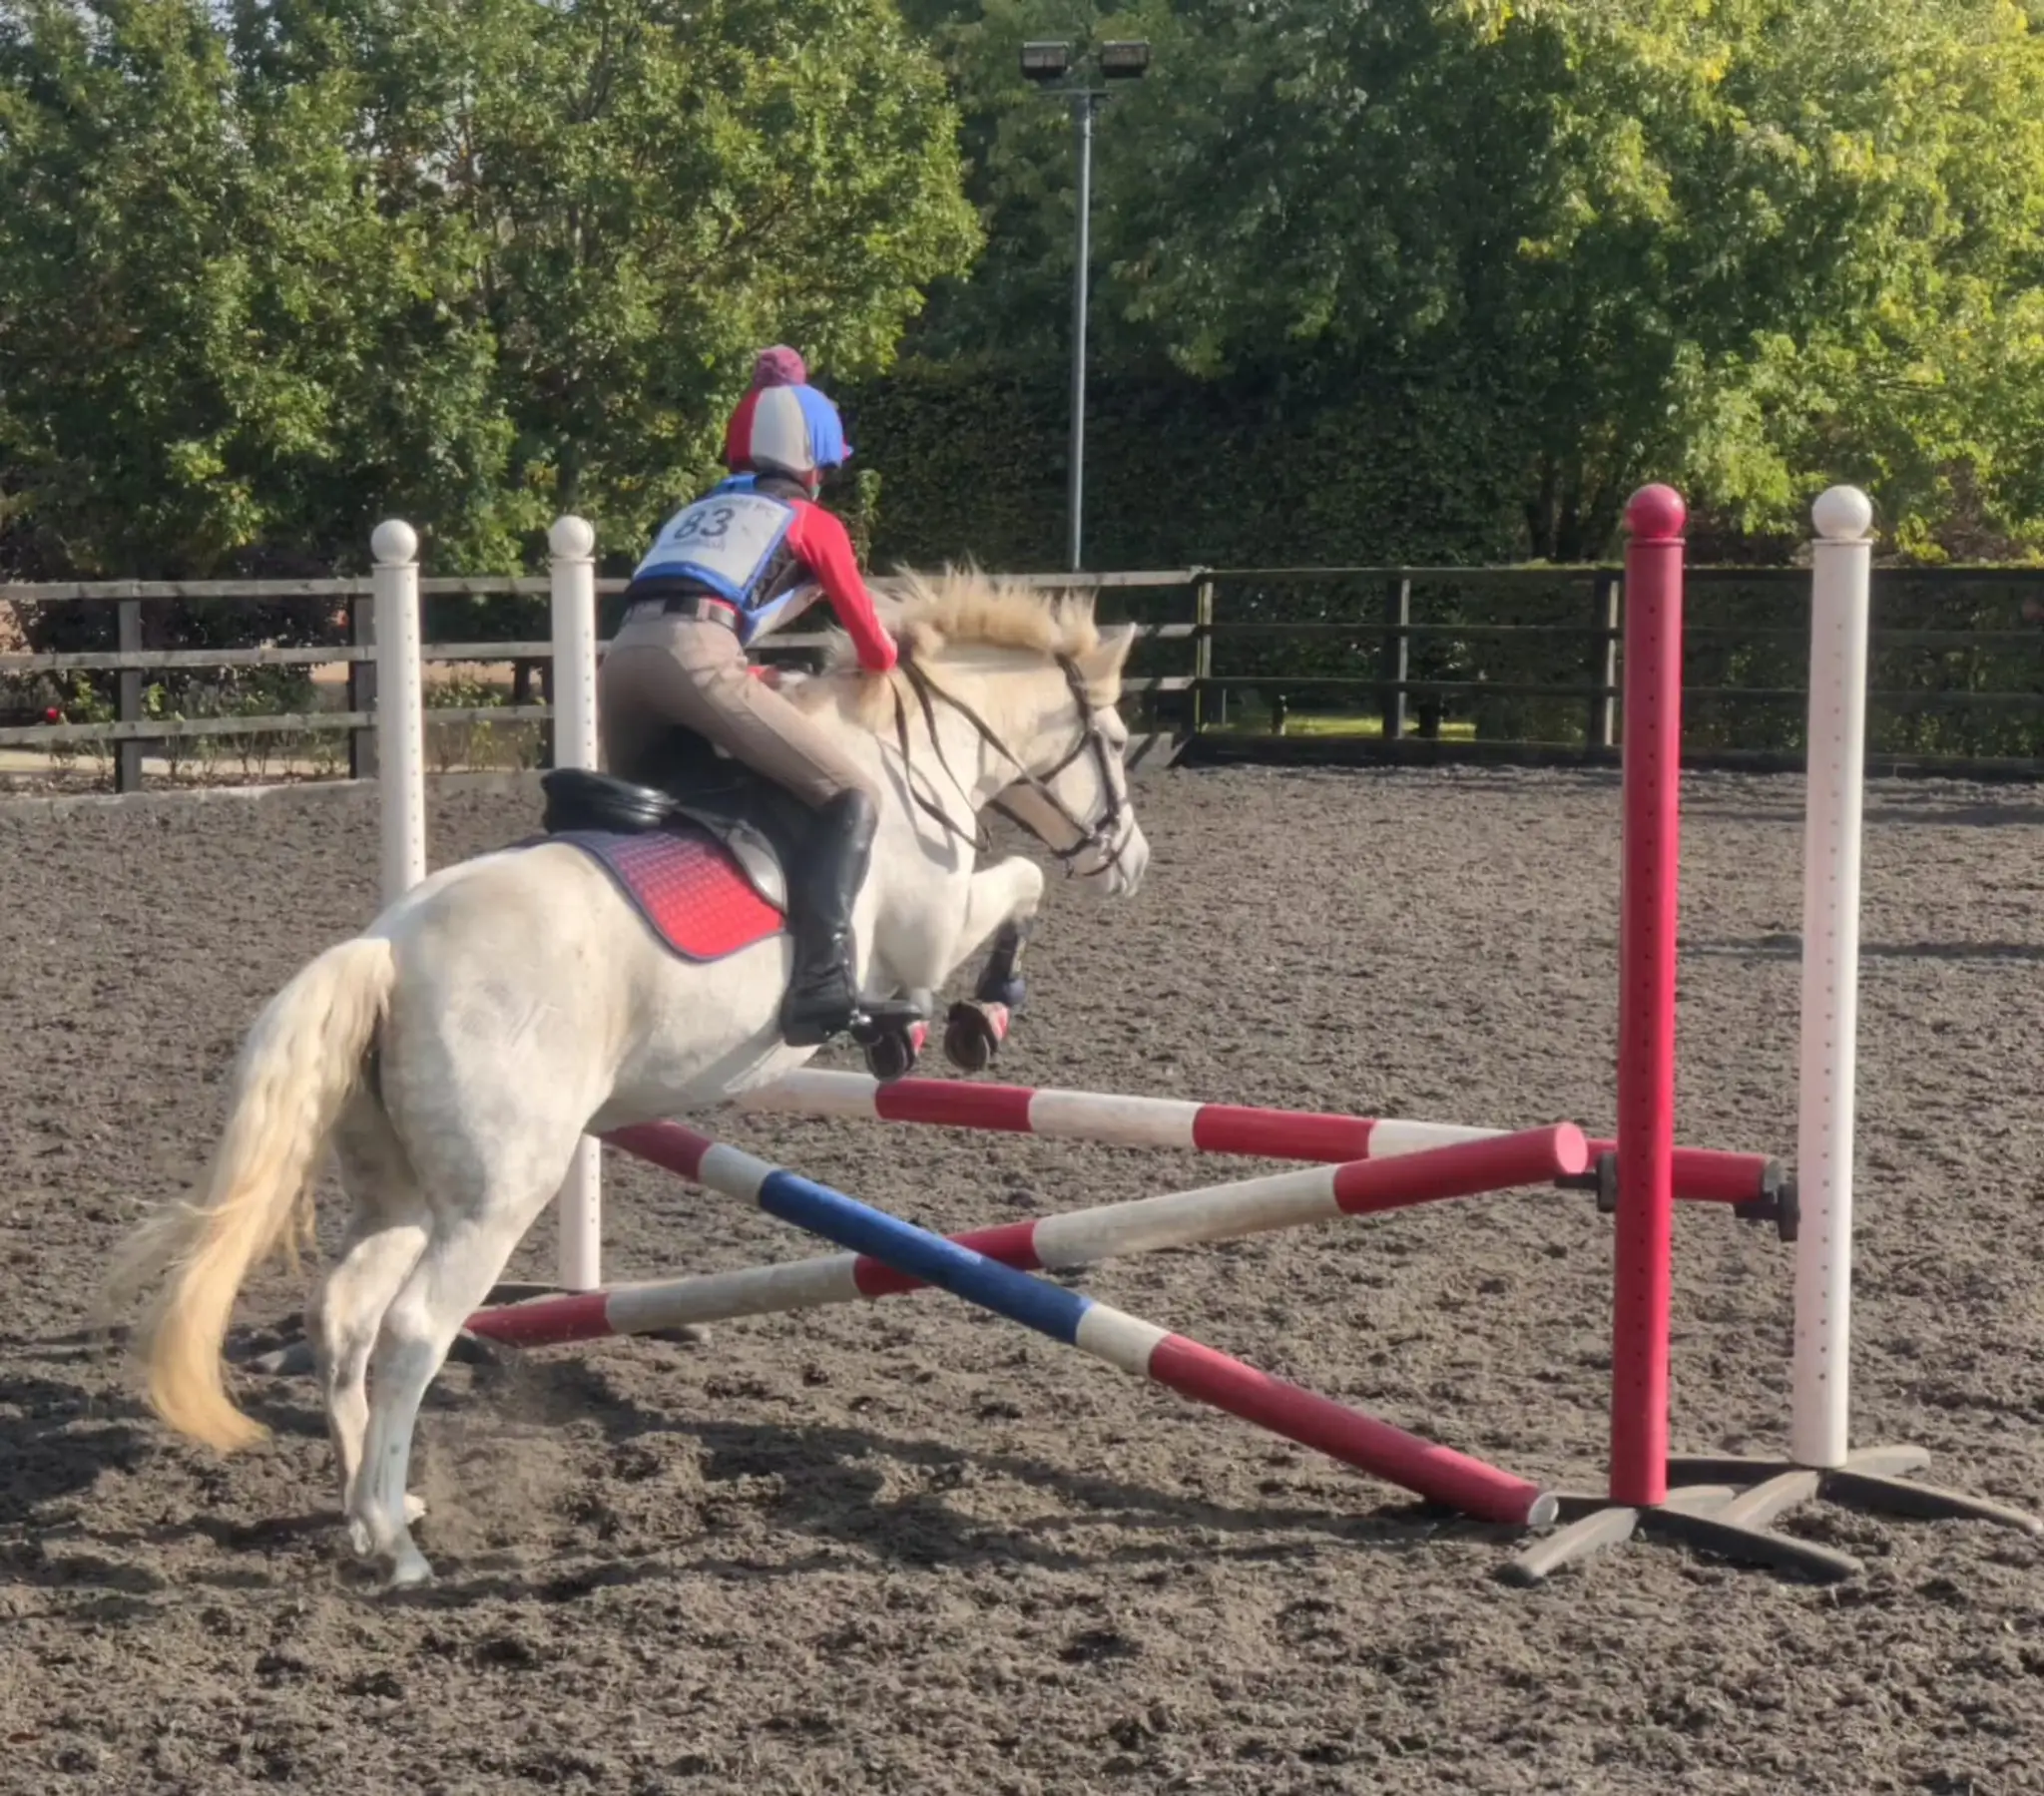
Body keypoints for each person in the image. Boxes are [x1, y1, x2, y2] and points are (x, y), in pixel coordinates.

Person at [600, 345, 900, 1048]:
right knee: (852, 796)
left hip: (620, 665)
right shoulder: (813, 524)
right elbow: (875, 651)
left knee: (668, 806)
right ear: (816, 463)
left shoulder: (697, 512)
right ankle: (824, 980)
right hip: (696, 661)